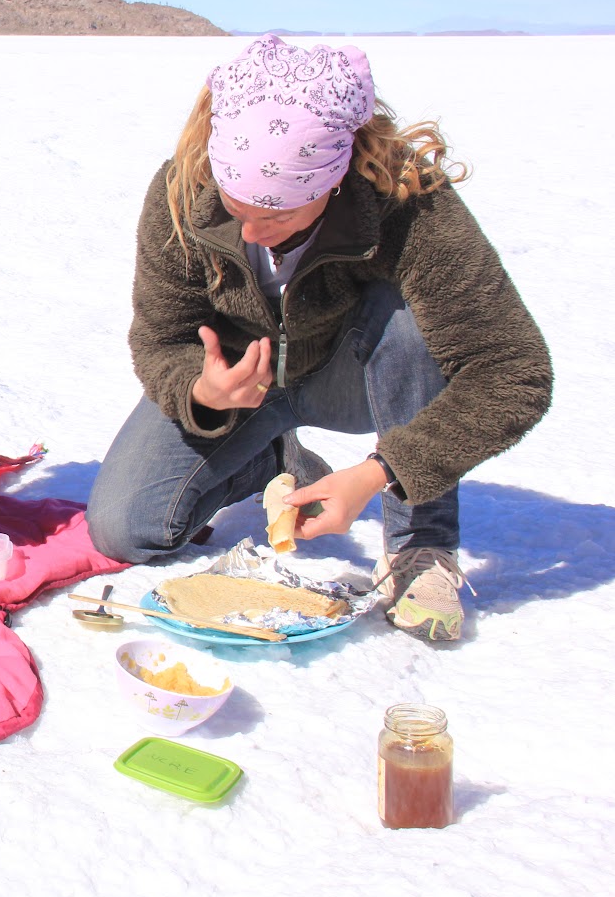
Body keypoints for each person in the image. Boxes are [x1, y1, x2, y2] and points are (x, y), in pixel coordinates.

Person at [86, 34, 552, 642]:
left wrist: (381, 472)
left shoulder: (405, 202)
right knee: (126, 528)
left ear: (331, 183)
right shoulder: (182, 190)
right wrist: (201, 390)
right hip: (246, 389)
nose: (251, 232)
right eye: (235, 208)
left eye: (277, 215)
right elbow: (160, 338)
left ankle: (421, 545)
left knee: (409, 319)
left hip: (360, 376)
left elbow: (512, 370)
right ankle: (273, 459)